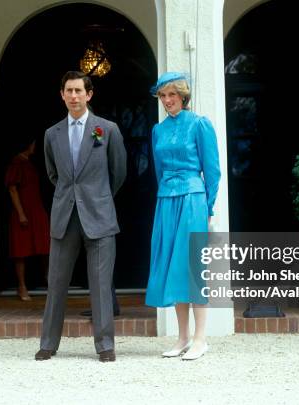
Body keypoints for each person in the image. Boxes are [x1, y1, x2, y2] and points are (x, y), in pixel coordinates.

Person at [35, 71, 127, 362]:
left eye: (79, 91)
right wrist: (71, 196)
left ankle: (105, 346)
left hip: (99, 215)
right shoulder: (52, 134)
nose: (74, 96)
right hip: (65, 216)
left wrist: (97, 196)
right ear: (61, 95)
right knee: (56, 283)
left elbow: (118, 172)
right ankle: (48, 343)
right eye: (69, 91)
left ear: (89, 94)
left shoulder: (107, 129)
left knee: (100, 284)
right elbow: (53, 174)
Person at [145, 72, 220, 361]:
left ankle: (201, 339)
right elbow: (158, 170)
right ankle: (182, 338)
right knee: (171, 266)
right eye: (162, 96)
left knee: (191, 266)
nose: (167, 100)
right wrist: (165, 196)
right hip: (166, 200)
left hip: (192, 199)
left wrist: (208, 207)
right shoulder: (158, 131)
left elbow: (212, 171)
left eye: (172, 95)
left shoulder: (199, 124)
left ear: (183, 96)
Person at [5, 139, 50, 301]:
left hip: (36, 209)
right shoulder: (17, 163)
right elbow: (12, 188)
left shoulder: (29, 162)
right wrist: (21, 213)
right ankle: (21, 286)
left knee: (45, 245)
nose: (34, 146)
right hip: (23, 210)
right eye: (32, 143)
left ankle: (48, 280)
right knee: (21, 250)